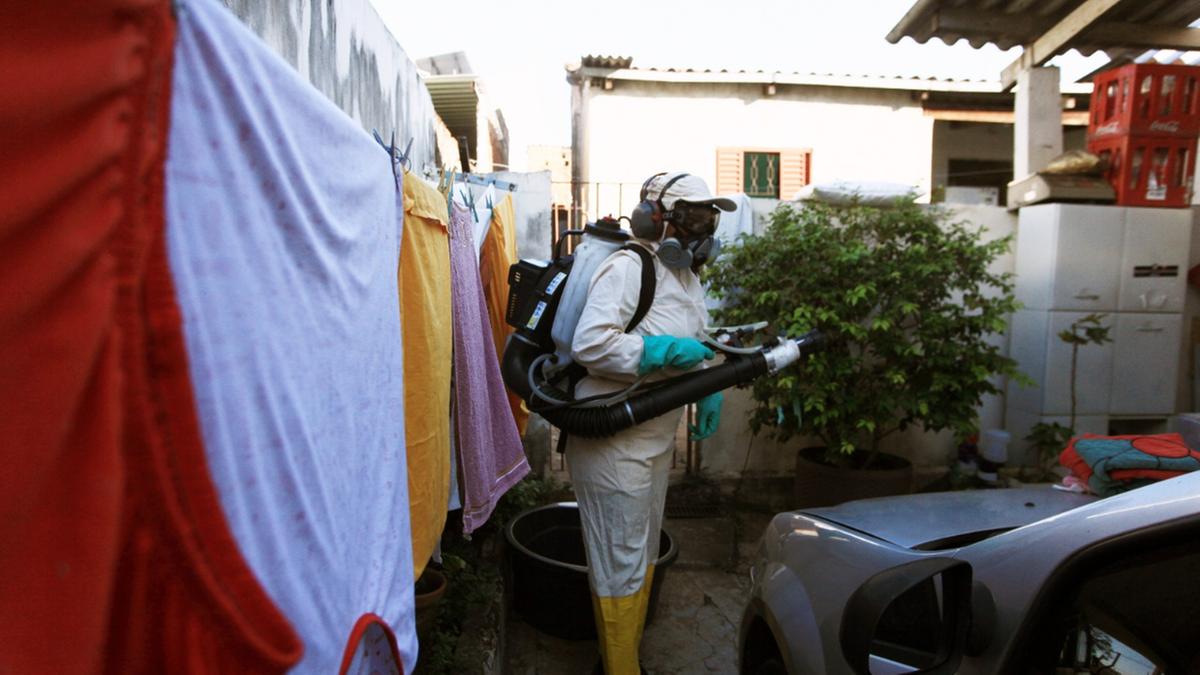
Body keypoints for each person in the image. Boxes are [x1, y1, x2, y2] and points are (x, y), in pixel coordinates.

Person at [567, 172, 735, 674]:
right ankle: (620, 667)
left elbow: (699, 340)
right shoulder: (629, 267)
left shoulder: (686, 278)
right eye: (691, 218)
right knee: (618, 561)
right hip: (613, 439)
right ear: (654, 218)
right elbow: (590, 344)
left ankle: (619, 657)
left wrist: (708, 383)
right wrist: (657, 350)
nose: (701, 231)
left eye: (709, 219)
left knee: (637, 554)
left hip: (656, 435)